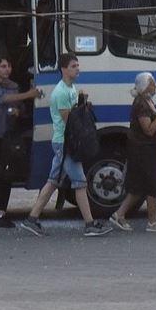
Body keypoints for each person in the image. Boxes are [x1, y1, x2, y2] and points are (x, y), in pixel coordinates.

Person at [19, 53, 112, 237]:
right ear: (64, 69)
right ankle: (89, 224)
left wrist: (81, 103)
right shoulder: (61, 92)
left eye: (77, 65)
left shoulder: (70, 89)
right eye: (74, 66)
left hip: (64, 142)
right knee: (80, 182)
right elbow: (69, 120)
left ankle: (32, 219)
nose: (78, 69)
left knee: (53, 182)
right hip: (65, 143)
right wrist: (83, 104)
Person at [0, 56, 40, 228]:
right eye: (3, 66)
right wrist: (29, 94)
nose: (7, 69)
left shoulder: (14, 86)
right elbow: (0, 100)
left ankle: (2, 212)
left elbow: (20, 106)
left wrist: (18, 111)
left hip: (7, 134)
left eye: (9, 65)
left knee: (5, 174)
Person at [108, 72, 156, 233]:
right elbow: (148, 130)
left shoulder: (147, 101)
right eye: (152, 84)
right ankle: (153, 221)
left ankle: (119, 215)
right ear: (144, 86)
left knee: (138, 187)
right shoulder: (141, 105)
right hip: (144, 150)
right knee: (152, 184)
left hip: (149, 148)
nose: (155, 87)